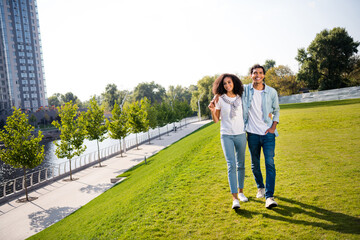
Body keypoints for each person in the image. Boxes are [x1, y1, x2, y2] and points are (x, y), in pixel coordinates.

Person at [208, 73, 248, 209]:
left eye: (229, 82)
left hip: (241, 134)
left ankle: (241, 192)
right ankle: (235, 198)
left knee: (241, 164)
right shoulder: (219, 99)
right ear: (221, 85)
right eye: (224, 83)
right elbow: (216, 120)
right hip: (226, 135)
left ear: (234, 83)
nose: (227, 85)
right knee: (231, 165)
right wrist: (213, 110)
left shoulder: (240, 97)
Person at [243, 64, 280, 209]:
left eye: (260, 73)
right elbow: (229, 89)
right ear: (251, 75)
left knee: (270, 163)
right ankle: (260, 187)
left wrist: (272, 128)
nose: (257, 75)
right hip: (252, 133)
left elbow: (276, 110)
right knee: (255, 164)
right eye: (254, 73)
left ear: (263, 75)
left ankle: (269, 196)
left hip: (267, 134)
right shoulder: (245, 90)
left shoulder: (271, 92)